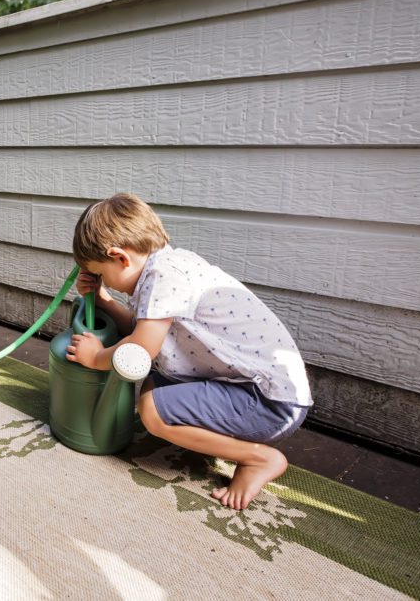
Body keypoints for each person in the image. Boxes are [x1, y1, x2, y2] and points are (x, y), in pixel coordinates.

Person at [66, 193, 312, 509]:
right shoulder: (163, 266)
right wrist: (104, 300)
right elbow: (142, 330)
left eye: (102, 273)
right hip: (251, 387)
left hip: (268, 402)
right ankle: (222, 435)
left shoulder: (163, 276)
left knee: (151, 411)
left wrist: (95, 358)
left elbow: (139, 349)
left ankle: (258, 458)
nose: (105, 282)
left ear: (120, 258)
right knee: (154, 380)